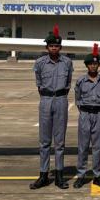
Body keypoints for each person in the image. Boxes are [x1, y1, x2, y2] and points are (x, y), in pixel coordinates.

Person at [30, 26, 73, 190]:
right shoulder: (40, 63)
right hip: (46, 100)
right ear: (47, 47)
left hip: (61, 100)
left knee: (60, 142)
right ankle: (43, 175)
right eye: (51, 46)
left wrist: (59, 95)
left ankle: (60, 176)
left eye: (56, 46)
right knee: (44, 141)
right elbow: (39, 84)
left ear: (60, 47)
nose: (54, 48)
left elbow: (68, 83)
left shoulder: (67, 62)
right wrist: (48, 96)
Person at [73, 44, 100, 189]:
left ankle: (97, 175)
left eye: (95, 64)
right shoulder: (81, 81)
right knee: (83, 146)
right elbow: (78, 99)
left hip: (98, 114)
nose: (93, 66)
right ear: (87, 66)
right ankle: (81, 175)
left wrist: (97, 109)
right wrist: (85, 111)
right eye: (90, 64)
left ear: (98, 65)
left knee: (97, 147)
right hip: (85, 114)